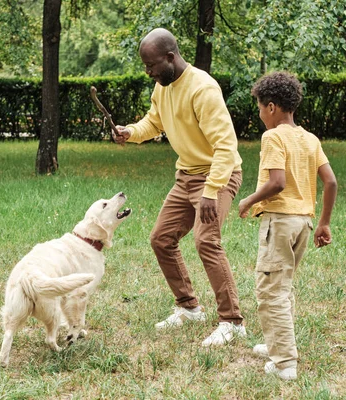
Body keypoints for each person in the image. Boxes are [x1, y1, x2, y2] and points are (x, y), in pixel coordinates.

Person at [113, 28, 246, 346]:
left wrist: (212, 190)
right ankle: (189, 308)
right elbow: (154, 122)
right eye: (145, 66)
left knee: (206, 241)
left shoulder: (202, 88)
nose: (148, 72)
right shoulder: (163, 86)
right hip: (186, 176)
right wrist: (130, 132)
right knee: (161, 239)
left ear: (170, 57)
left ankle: (232, 321)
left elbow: (226, 147)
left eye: (151, 65)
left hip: (218, 175)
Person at [238, 71, 337, 380]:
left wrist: (248, 200)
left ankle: (285, 364)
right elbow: (331, 181)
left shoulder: (273, 137)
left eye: (258, 107)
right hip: (304, 224)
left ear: (271, 107)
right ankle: (275, 343)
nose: (259, 114)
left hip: (279, 223)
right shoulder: (310, 139)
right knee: (283, 286)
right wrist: (324, 223)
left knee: (271, 292)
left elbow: (277, 183)